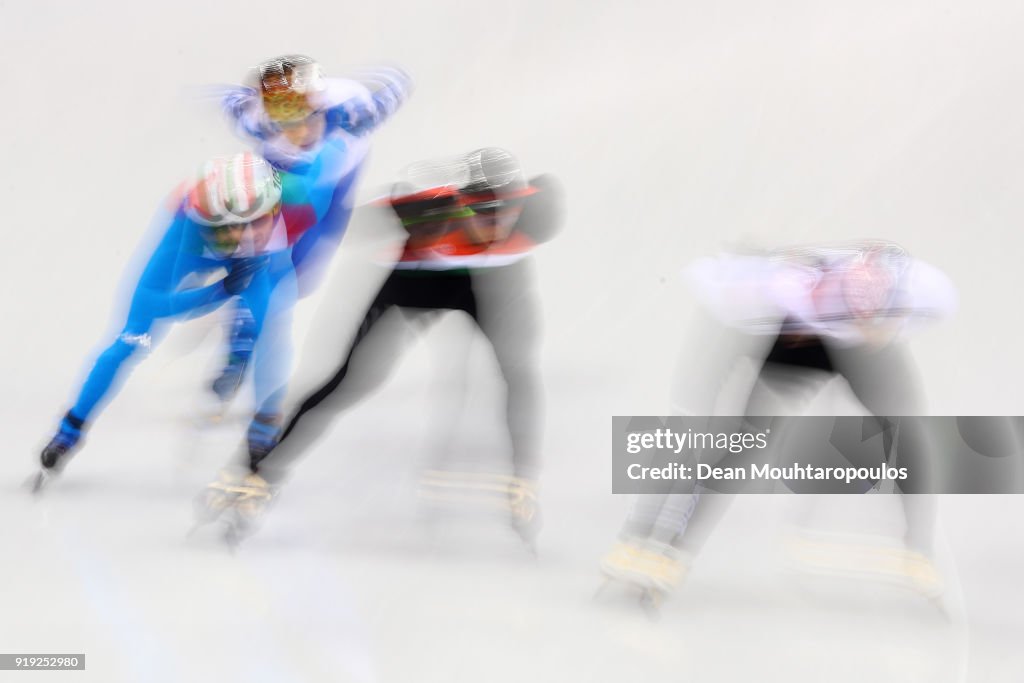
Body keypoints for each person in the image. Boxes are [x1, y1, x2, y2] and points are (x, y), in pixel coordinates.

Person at [199, 148, 565, 548]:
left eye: (505, 212)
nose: (494, 224)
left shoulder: (538, 214)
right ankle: (256, 471)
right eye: (482, 212)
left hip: (489, 284)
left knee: (518, 372)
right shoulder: (425, 210)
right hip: (416, 281)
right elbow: (333, 222)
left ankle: (522, 477)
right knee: (346, 382)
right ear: (460, 204)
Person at [599, 240, 957, 605]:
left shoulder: (925, 290)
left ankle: (919, 547)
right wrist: (697, 406)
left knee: (910, 435)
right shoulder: (780, 289)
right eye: (866, 324)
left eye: (883, 322)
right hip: (800, 343)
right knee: (743, 445)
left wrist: (880, 331)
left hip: (860, 359)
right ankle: (674, 548)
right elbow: (714, 326)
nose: (872, 332)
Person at [33, 153, 293, 491]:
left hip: (251, 259)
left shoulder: (270, 232)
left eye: (256, 224)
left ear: (273, 211)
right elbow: (154, 306)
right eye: (228, 233)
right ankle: (70, 429)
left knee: (266, 327)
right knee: (131, 342)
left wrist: (265, 422)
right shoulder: (188, 230)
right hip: (195, 252)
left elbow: (274, 325)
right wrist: (219, 291)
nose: (244, 239)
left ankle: (260, 421)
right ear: (210, 225)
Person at [204, 55, 411, 423]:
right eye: (283, 122)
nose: (295, 132)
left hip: (332, 191)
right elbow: (230, 98)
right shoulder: (255, 119)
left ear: (321, 106)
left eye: (302, 119)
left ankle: (245, 334)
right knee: (261, 266)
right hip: (285, 181)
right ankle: (238, 349)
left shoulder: (354, 111)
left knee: (298, 281)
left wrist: (386, 73)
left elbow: (396, 85)